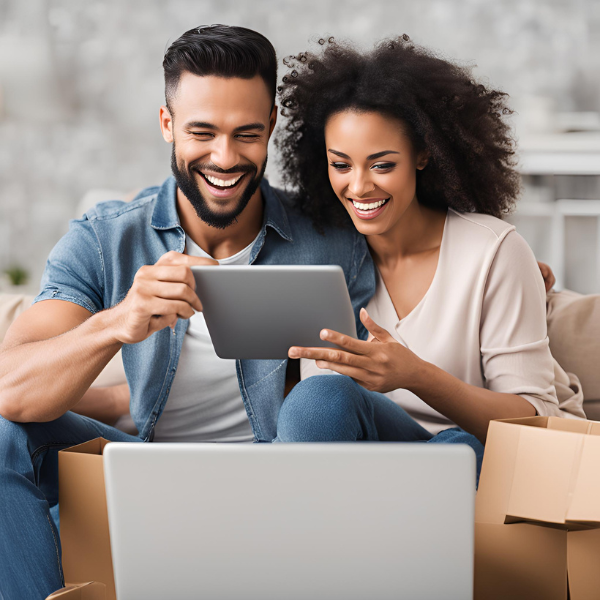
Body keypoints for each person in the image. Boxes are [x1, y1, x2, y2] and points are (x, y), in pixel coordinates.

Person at [0, 26, 375, 600]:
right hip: (145, 474)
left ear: (272, 125)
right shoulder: (107, 238)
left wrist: (525, 269)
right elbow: (11, 390)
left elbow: (429, 252)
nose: (225, 159)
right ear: (167, 124)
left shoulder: (334, 238)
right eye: (202, 132)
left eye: (247, 133)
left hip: (278, 484)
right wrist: (116, 321)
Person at [273, 36, 585, 467]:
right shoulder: (318, 253)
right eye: (340, 164)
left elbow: (535, 419)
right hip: (353, 459)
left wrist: (416, 376)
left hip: (466, 455)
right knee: (319, 398)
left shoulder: (492, 253)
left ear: (422, 154)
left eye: (382, 164)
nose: (359, 186)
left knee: (456, 451)